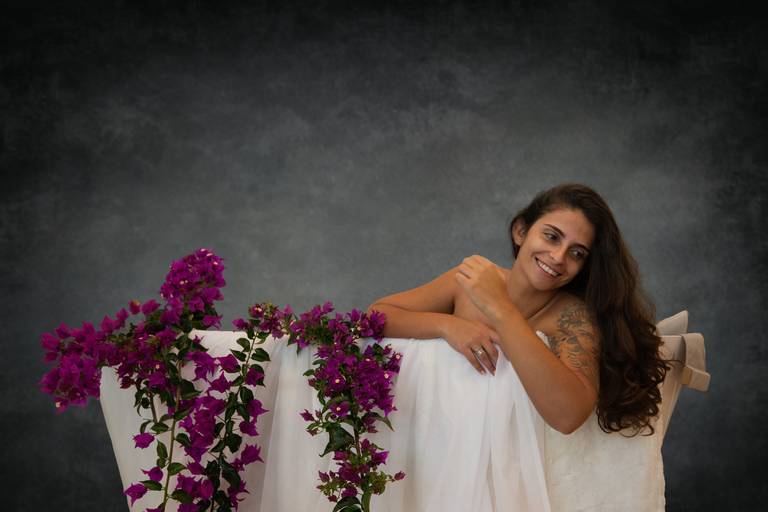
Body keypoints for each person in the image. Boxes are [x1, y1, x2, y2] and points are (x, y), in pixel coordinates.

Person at [366, 182, 670, 436]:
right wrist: (448, 327)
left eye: (577, 253)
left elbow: (568, 417)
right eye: (551, 236)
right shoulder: (472, 280)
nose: (558, 257)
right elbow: (375, 317)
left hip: (512, 465)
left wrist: (501, 309)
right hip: (440, 441)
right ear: (521, 231)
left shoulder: (571, 317)